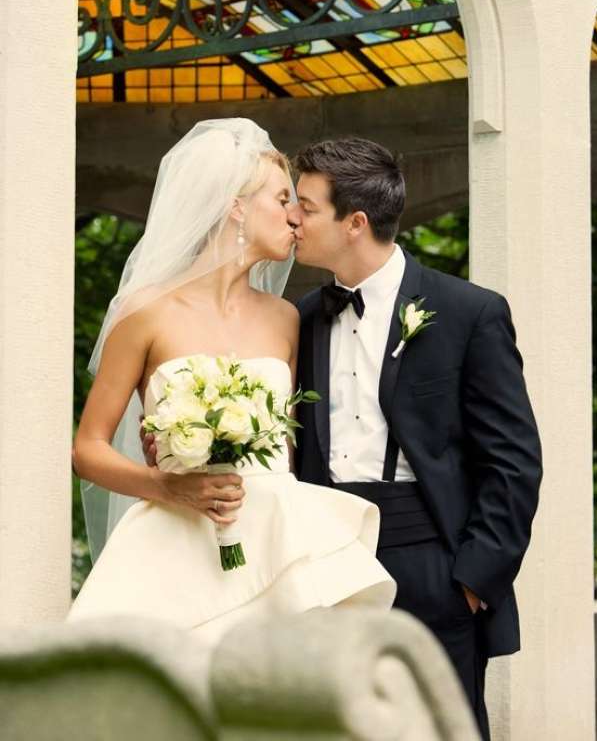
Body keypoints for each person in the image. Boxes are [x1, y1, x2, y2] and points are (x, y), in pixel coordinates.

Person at [69, 119, 395, 641]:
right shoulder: (145, 312)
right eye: (283, 199)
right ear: (235, 206)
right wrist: (165, 485)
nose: (295, 217)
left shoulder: (286, 318)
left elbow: (285, 449)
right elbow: (88, 448)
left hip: (276, 539)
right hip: (174, 544)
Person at [287, 137, 543, 741]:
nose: (292, 219)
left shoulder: (468, 312)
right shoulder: (300, 317)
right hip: (327, 561)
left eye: (306, 206)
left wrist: (473, 580)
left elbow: (514, 460)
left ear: (354, 223)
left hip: (431, 560)